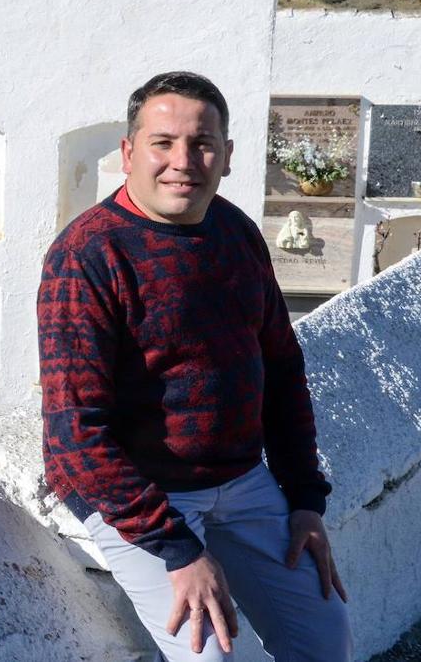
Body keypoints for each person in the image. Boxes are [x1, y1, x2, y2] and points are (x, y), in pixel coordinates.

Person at [38, 72, 352, 661]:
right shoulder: (88, 257)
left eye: (201, 143)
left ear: (227, 156)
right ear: (129, 152)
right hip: (141, 496)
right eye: (163, 142)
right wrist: (177, 549)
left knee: (326, 641)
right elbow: (75, 432)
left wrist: (306, 500)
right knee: (218, 657)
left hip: (243, 484)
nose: (183, 161)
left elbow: (281, 371)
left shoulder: (236, 232)